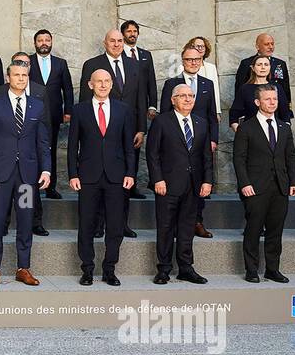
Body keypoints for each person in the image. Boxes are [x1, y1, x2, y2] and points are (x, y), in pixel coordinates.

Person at [0, 60, 50, 287]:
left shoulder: (37, 106)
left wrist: (46, 169)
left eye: (24, 75)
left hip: (27, 178)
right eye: (16, 75)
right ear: (8, 77)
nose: (21, 78)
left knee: (26, 220)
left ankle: (23, 268)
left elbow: (43, 142)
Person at [68, 69, 135, 285]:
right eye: (99, 82)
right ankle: (87, 269)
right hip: (88, 176)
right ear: (90, 85)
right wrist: (73, 174)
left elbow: (129, 147)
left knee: (115, 226)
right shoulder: (80, 110)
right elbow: (71, 147)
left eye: (107, 81)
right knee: (86, 224)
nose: (103, 85)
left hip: (116, 176)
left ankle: (109, 269)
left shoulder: (123, 110)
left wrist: (130, 173)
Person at [80, 29, 147, 234]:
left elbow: (140, 98)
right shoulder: (92, 65)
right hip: (100, 131)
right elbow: (84, 99)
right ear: (105, 42)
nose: (117, 44)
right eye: (112, 41)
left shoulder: (135, 65)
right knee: (100, 177)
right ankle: (99, 225)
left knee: (124, 179)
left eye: (120, 40)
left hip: (128, 132)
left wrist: (141, 129)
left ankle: (121, 224)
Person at [146, 83, 214, 284]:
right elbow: (152, 154)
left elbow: (206, 156)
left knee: (187, 227)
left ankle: (186, 268)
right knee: (166, 227)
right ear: (173, 100)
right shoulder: (161, 121)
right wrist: (157, 179)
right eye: (182, 96)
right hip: (167, 184)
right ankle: (164, 269)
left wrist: (207, 181)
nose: (188, 99)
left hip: (193, 186)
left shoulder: (201, 123)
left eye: (191, 95)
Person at [233, 84, 295, 283]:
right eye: (268, 99)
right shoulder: (246, 127)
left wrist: (293, 181)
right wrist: (244, 183)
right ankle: (251, 270)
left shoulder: (284, 127)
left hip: (280, 187)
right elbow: (239, 158)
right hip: (255, 187)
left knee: (275, 231)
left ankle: (272, 269)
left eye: (275, 99)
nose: (272, 102)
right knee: (253, 230)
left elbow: (291, 156)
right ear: (257, 102)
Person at [160, 44, 219, 238]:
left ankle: (197, 221)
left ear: (201, 62)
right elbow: (164, 115)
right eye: (189, 59)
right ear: (182, 61)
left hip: (200, 142)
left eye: (197, 59)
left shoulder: (207, 84)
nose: (193, 62)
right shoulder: (171, 84)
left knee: (199, 182)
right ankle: (178, 222)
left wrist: (213, 139)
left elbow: (211, 115)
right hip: (176, 143)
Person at [30, 29, 74, 199]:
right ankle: (32, 186)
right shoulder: (28, 61)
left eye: (47, 40)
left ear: (51, 42)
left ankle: (50, 186)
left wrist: (68, 110)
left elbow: (68, 89)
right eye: (40, 40)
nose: (44, 43)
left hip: (53, 114)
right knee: (29, 149)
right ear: (35, 43)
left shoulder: (60, 63)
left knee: (50, 149)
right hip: (31, 112)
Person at [234, 32, 292, 114]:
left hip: (276, 110)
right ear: (257, 46)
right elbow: (240, 87)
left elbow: (285, 87)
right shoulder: (247, 63)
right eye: (266, 44)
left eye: (272, 44)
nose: (270, 47)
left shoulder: (280, 63)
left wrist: (287, 110)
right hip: (254, 110)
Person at [229, 55, 292, 127]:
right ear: (253, 68)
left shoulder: (277, 87)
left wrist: (284, 132)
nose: (263, 67)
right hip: (251, 132)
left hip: (274, 132)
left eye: (266, 64)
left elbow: (285, 113)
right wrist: (241, 134)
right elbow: (234, 115)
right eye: (259, 65)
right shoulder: (245, 89)